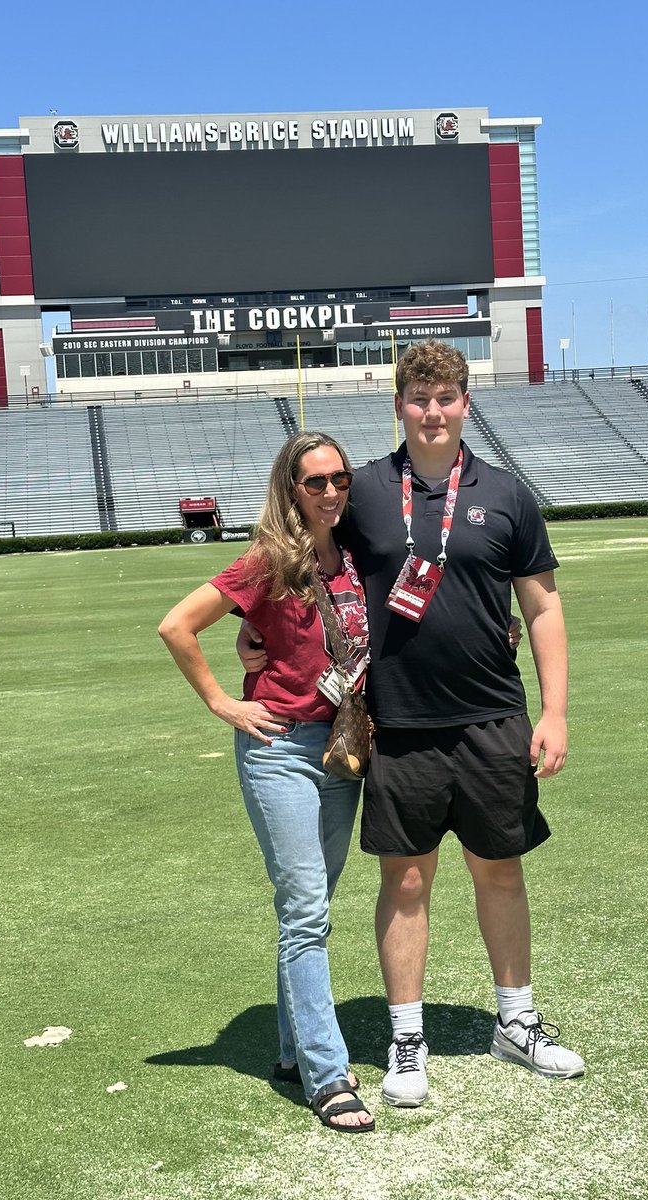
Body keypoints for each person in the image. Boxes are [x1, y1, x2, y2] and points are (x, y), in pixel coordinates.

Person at [240, 340, 584, 1107]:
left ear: (467, 402)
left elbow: (543, 606)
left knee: (500, 869)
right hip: (396, 723)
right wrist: (250, 627)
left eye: (447, 397)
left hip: (493, 716)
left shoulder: (507, 492)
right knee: (406, 879)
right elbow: (294, 555)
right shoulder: (361, 489)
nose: (433, 411)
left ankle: (516, 1021)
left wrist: (555, 712)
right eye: (419, 398)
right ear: (398, 405)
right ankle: (406, 1038)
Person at [158, 431, 375, 1133]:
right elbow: (176, 626)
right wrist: (224, 700)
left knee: (311, 906)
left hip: (343, 750)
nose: (332, 491)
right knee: (307, 907)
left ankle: (289, 1048)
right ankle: (325, 1072)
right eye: (316, 482)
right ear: (291, 489)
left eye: (340, 478)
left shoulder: (359, 555)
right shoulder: (268, 560)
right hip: (280, 746)